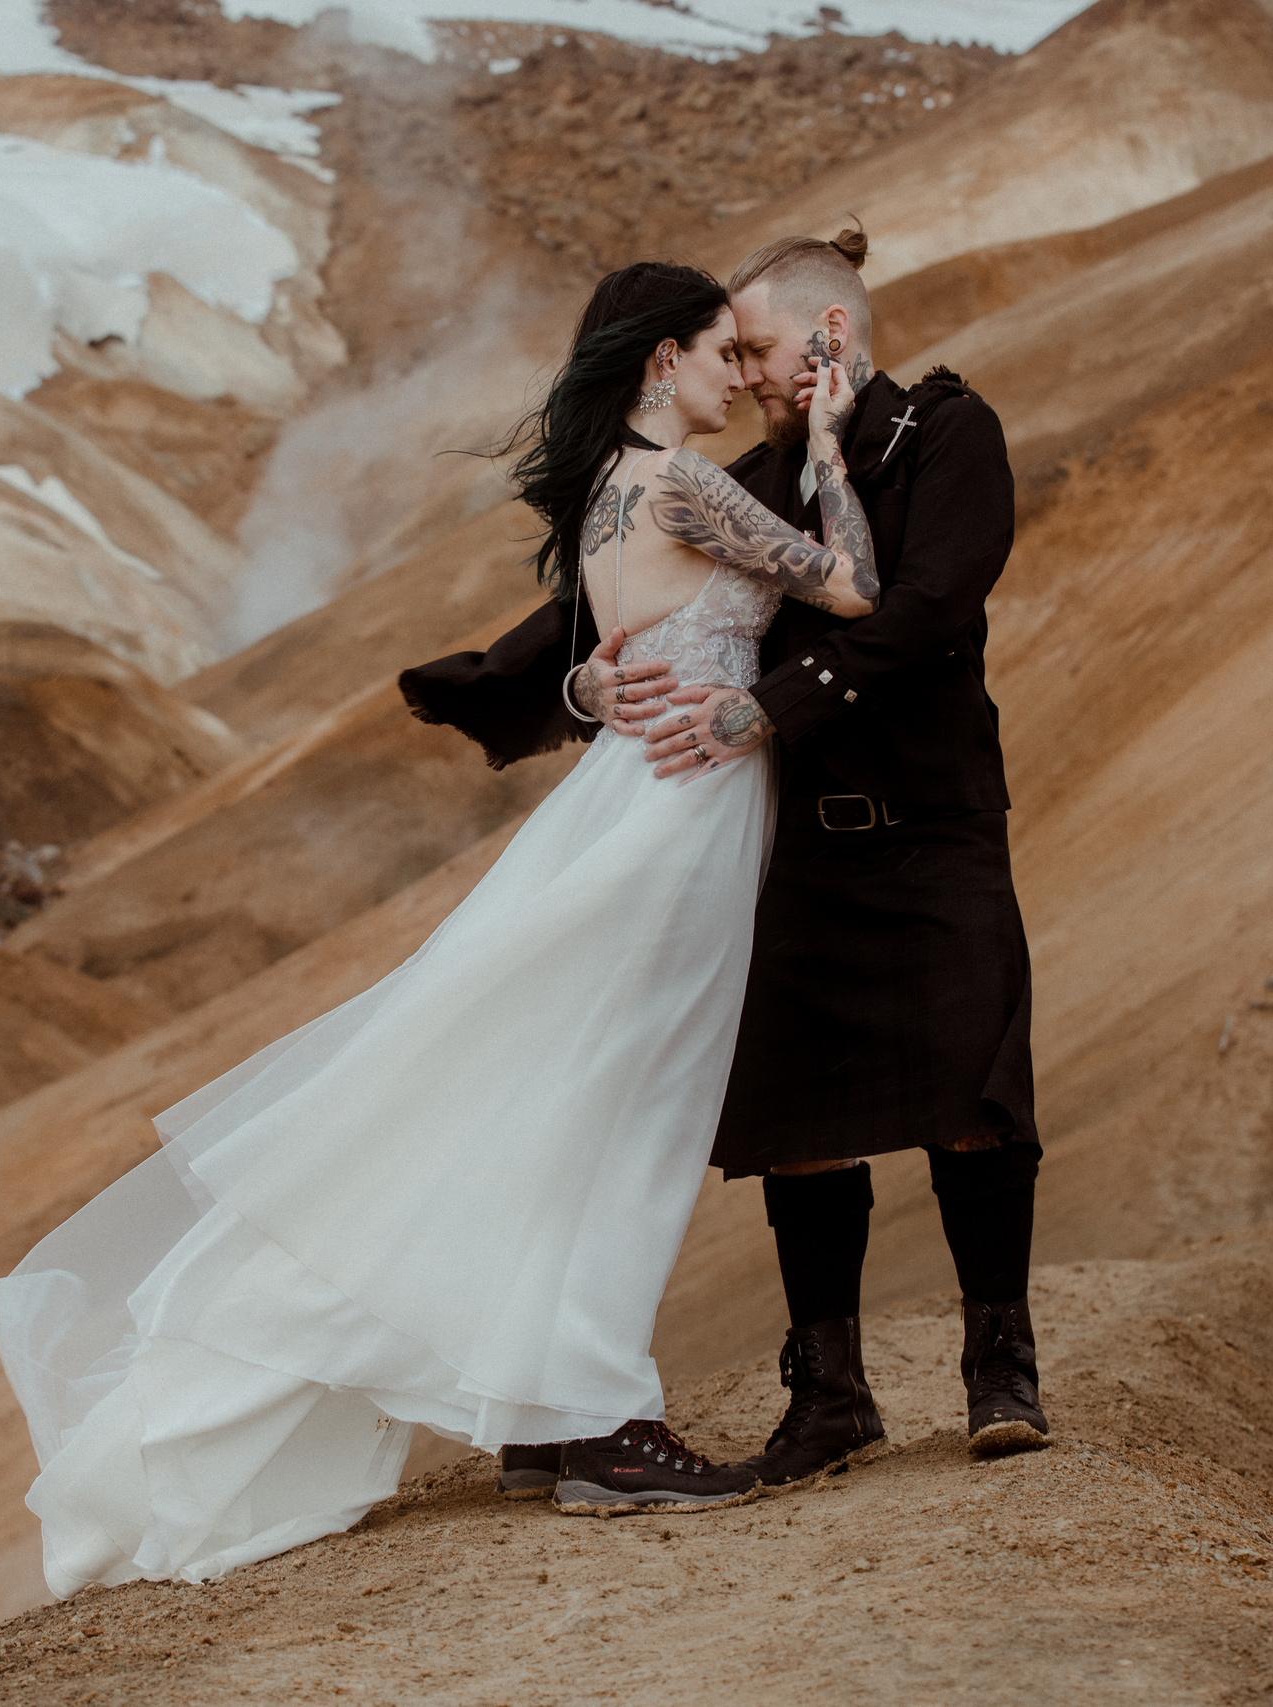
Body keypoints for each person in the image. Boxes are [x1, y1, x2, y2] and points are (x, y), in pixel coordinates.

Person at [0, 259, 878, 1597]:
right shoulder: (687, 481)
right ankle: (598, 1419)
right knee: (633, 1109)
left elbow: (613, 645)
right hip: (678, 817)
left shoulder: (611, 489)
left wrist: (590, 676)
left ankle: (556, 1405)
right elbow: (851, 584)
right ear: (657, 364)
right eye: (712, 352)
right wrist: (823, 437)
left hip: (630, 800)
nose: (730, 374)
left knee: (577, 1094)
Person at [408, 227, 1047, 1505]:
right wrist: (566, 685)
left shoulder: (947, 435)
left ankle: (1000, 1375)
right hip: (793, 838)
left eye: (753, 347)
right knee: (794, 1123)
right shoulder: (743, 470)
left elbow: (925, 609)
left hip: (929, 825)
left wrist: (775, 707)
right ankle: (829, 1398)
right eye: (728, 351)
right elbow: (622, 610)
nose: (744, 372)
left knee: (977, 1093)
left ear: (830, 335)